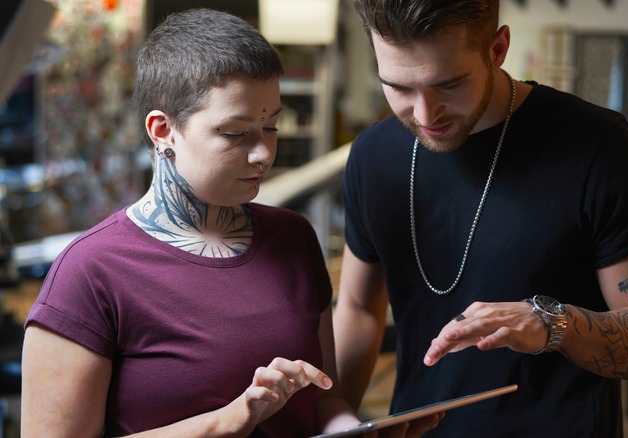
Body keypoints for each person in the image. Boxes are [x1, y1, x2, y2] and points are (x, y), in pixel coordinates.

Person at [333, 0, 628, 436]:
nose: (426, 115)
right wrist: (336, 417)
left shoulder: (598, 146)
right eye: (399, 87)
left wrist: (553, 323)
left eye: (450, 84)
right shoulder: (372, 155)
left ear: (498, 48)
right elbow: (358, 309)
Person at [20, 8, 375, 437]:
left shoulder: (294, 238)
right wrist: (225, 423)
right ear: (163, 130)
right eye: (236, 132)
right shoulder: (90, 272)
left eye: (271, 126)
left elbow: (322, 397)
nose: (263, 153)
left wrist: (351, 428)